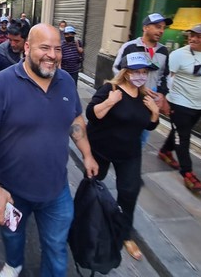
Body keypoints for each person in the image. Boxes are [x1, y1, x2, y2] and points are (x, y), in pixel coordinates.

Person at [0, 24, 98, 277]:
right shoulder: (2, 83)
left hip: (56, 191)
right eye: (45, 48)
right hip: (12, 192)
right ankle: (13, 263)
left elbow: (75, 120)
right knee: (13, 235)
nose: (52, 55)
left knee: (56, 248)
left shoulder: (65, 82)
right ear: (28, 48)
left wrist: (87, 154)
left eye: (57, 48)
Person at [86, 52, 160, 261]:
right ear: (126, 73)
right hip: (101, 149)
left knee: (129, 193)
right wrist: (110, 102)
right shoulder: (111, 89)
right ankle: (86, 222)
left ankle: (125, 234)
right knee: (93, 189)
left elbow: (149, 124)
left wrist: (155, 114)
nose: (140, 76)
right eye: (136, 71)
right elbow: (92, 114)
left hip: (129, 152)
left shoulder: (145, 96)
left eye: (144, 72)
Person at [158, 23, 201, 192]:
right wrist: (164, 100)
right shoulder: (178, 55)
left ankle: (165, 151)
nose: (193, 38)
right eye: (191, 35)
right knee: (183, 136)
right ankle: (188, 173)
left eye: (198, 35)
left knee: (180, 131)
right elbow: (166, 77)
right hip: (179, 102)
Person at [113, 13, 172, 147]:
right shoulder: (129, 47)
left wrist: (162, 94)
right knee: (125, 129)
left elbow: (165, 74)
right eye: (158, 27)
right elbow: (117, 69)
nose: (161, 31)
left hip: (151, 97)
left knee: (144, 132)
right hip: (130, 94)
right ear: (146, 28)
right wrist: (136, 87)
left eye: (163, 28)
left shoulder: (163, 51)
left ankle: (135, 156)